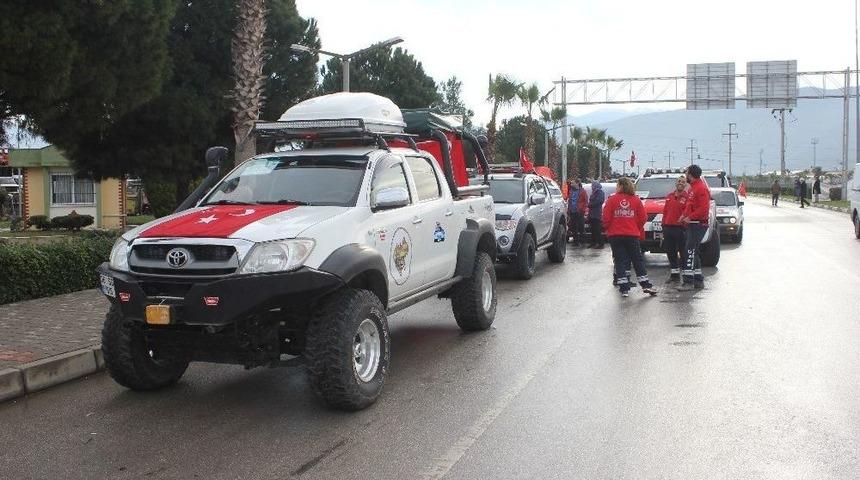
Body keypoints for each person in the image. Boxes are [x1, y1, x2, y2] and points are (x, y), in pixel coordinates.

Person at [602, 177, 656, 297]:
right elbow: (643, 217)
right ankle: (645, 285)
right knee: (637, 260)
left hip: (615, 235)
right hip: (632, 235)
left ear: (621, 186)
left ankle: (624, 288)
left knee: (619, 260)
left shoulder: (612, 200)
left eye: (617, 185)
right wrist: (635, 227)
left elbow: (606, 218)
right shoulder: (636, 200)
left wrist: (608, 228)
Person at [676, 164, 710, 291]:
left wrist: (690, 217)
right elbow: (689, 205)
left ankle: (688, 282)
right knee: (693, 251)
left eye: (687, 173)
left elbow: (703, 209)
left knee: (689, 251)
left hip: (698, 224)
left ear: (690, 175)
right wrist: (684, 215)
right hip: (692, 224)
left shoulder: (701, 188)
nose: (685, 175)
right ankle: (698, 279)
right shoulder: (692, 188)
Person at [662, 176, 688, 282]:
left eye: (683, 182)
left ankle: (686, 276)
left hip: (680, 229)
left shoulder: (687, 197)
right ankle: (674, 275)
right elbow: (665, 212)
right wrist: (663, 225)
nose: (680, 183)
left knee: (683, 253)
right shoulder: (669, 196)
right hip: (668, 228)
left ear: (686, 184)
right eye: (679, 181)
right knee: (670, 252)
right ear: (676, 183)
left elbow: (688, 213)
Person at [568, 179, 588, 246]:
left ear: (577, 183)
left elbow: (586, 201)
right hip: (572, 211)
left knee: (581, 226)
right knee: (573, 227)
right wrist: (569, 210)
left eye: (573, 183)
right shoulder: (571, 191)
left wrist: (582, 209)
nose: (571, 184)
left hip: (579, 211)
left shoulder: (582, 191)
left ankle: (583, 241)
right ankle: (576, 241)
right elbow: (570, 201)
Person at [587, 180, 605, 248]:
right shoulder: (594, 192)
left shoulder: (600, 192)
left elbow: (599, 201)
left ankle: (600, 243)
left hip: (596, 213)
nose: (592, 186)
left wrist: (590, 205)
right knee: (592, 229)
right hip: (592, 213)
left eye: (592, 185)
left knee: (597, 229)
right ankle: (593, 242)